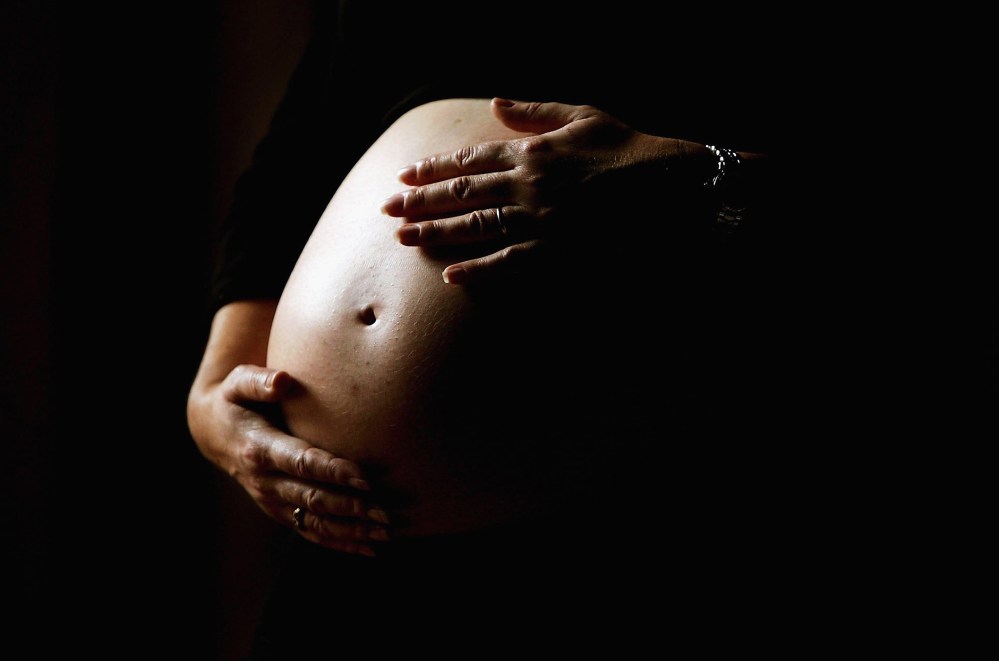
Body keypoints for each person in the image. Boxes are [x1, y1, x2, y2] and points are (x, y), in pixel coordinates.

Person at [188, 2, 782, 653]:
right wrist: (213, 390)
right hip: (350, 554)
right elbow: (296, 161)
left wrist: (705, 178)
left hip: (640, 530)